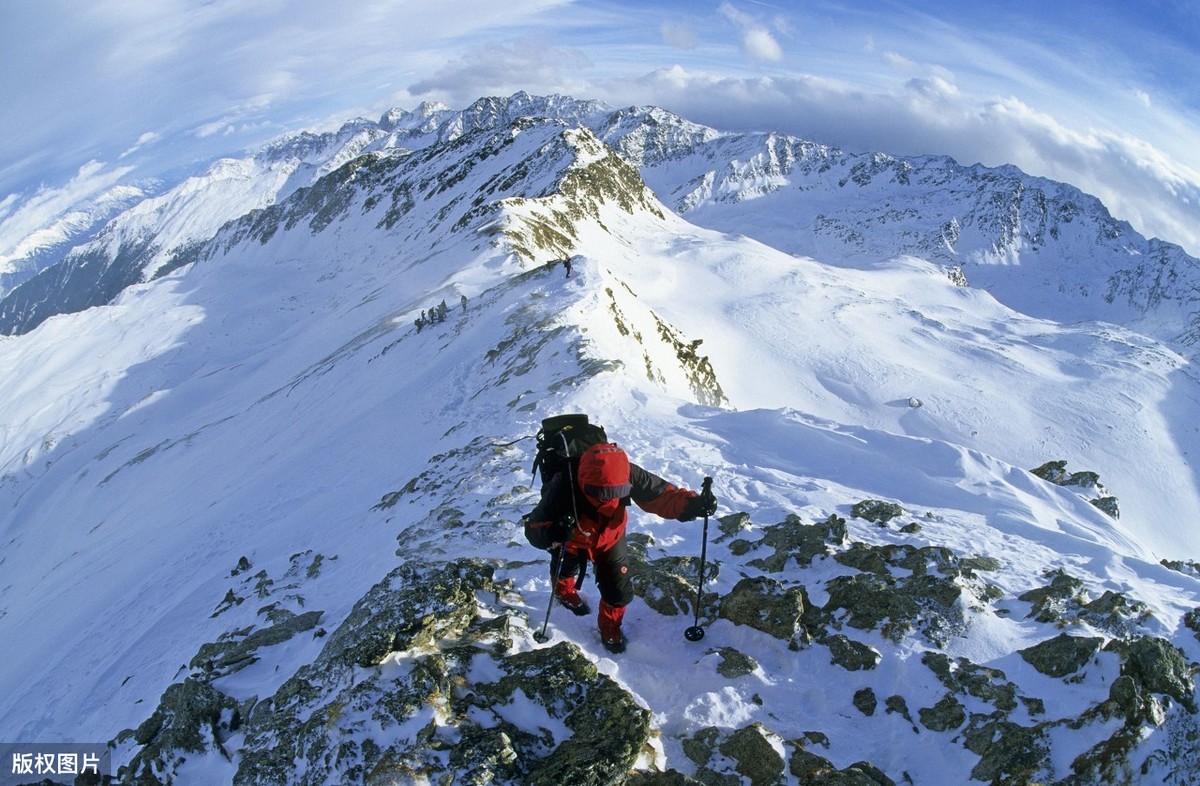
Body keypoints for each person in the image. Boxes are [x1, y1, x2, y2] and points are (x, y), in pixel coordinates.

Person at [523, 442, 717, 653]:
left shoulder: (627, 471)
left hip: (610, 538)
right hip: (572, 537)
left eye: (615, 492)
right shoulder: (563, 483)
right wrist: (553, 533)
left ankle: (610, 629)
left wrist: (693, 505)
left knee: (618, 592)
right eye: (601, 493)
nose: (608, 498)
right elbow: (534, 528)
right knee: (565, 570)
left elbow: (662, 495)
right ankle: (565, 594)